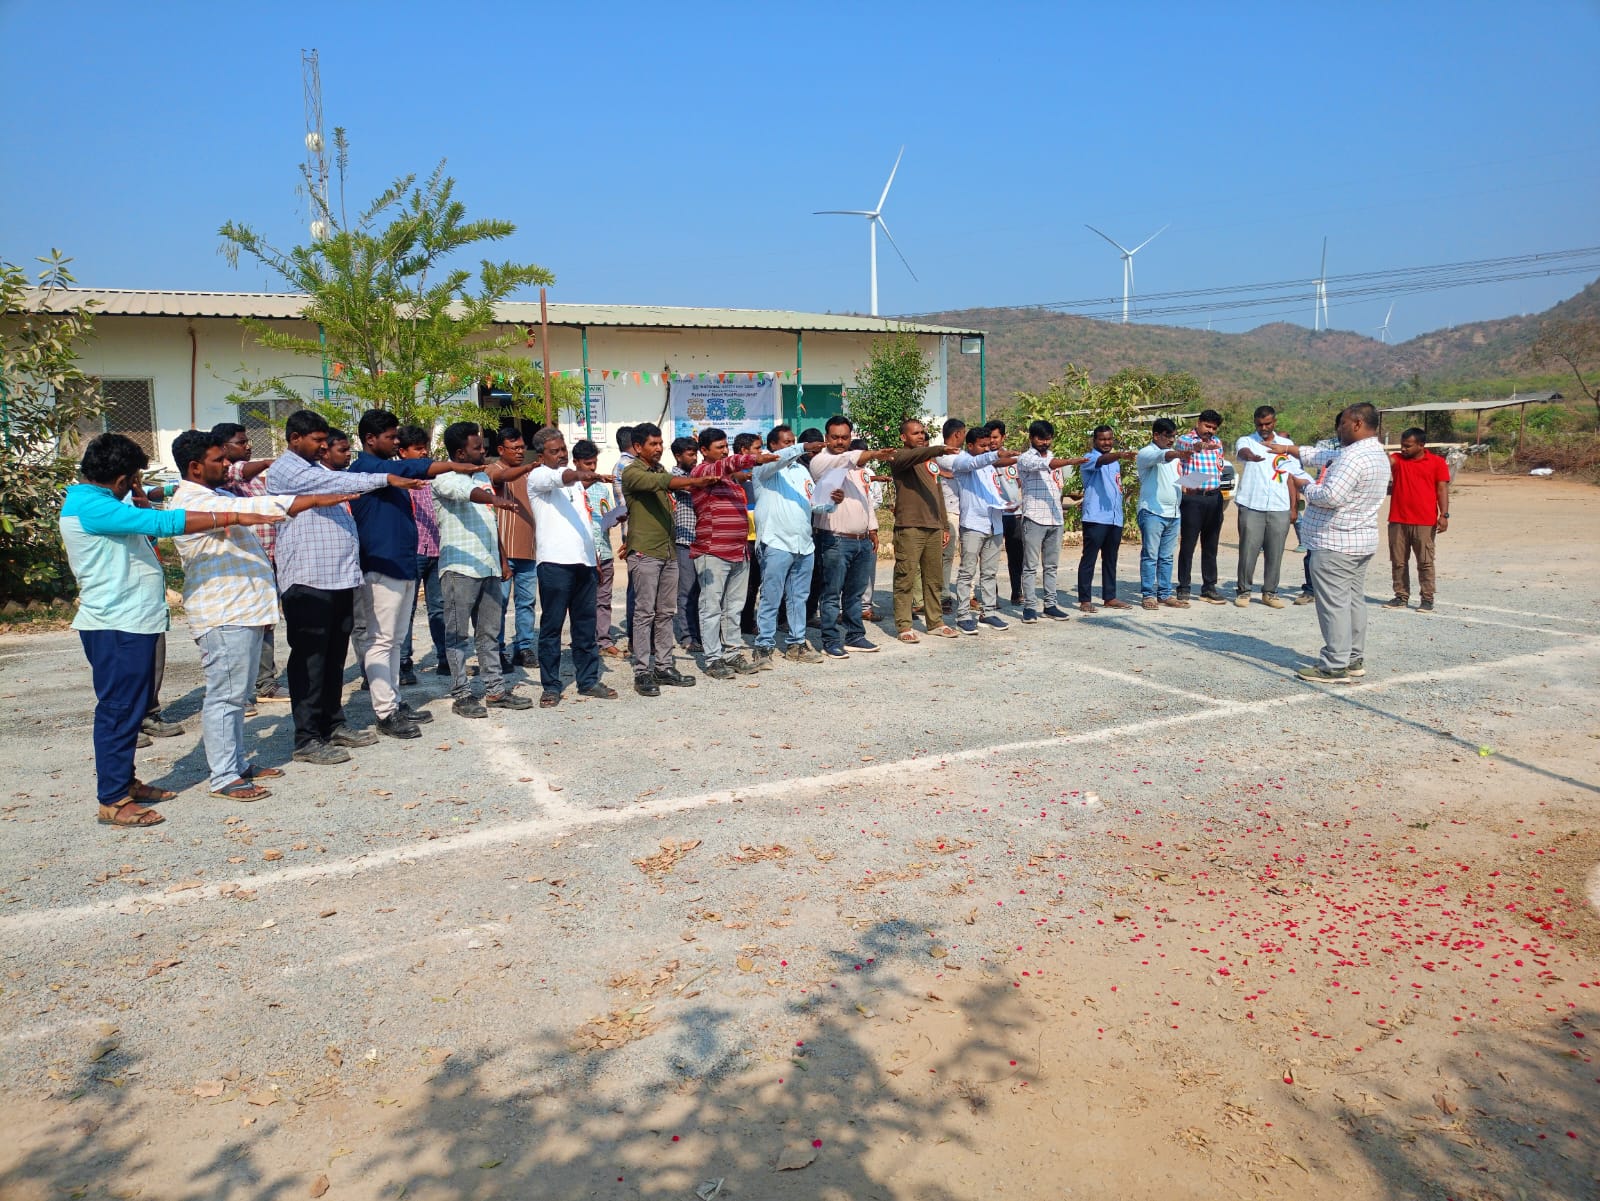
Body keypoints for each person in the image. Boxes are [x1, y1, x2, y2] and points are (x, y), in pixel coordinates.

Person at [60, 433, 285, 827]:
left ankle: (125, 782)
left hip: (133, 621)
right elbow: (165, 522)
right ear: (121, 479)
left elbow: (159, 497)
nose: (136, 486)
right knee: (118, 711)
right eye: (133, 479)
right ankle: (112, 798)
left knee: (130, 709)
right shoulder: (94, 507)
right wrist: (233, 515)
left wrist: (157, 490)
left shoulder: (101, 499)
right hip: (115, 624)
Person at [171, 430, 355, 800]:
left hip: (243, 611)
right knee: (226, 697)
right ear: (195, 467)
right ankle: (224, 777)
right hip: (224, 614)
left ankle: (237, 764)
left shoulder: (219, 495)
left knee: (236, 696)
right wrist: (311, 499)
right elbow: (261, 507)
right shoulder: (193, 501)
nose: (228, 465)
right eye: (219, 460)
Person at [265, 411, 423, 764]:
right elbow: (339, 482)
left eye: (325, 441)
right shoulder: (287, 469)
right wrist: (387, 478)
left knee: (334, 657)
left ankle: (333, 724)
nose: (323, 447)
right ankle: (307, 738)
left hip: (337, 579)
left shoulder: (317, 470)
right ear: (294, 439)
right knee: (310, 660)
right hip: (308, 580)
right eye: (317, 441)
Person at [348, 409, 477, 739]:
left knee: (393, 640)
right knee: (381, 640)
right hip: (381, 565)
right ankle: (385, 712)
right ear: (369, 439)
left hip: (402, 564)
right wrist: (452, 466)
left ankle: (393, 701)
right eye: (390, 437)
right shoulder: (365, 469)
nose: (396, 442)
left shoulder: (387, 471)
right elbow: (410, 466)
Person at [1275, 403, 1390, 683]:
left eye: (1343, 423)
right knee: (1353, 601)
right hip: (1359, 542)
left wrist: (1304, 486)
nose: (1339, 428)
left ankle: (1334, 665)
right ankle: (1353, 658)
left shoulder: (1353, 458)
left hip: (1335, 543)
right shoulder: (1375, 453)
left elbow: (1330, 496)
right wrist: (1288, 449)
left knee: (1334, 605)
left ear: (1358, 423)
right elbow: (1324, 456)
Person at [432, 422, 533, 717]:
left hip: (488, 566)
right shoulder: (443, 477)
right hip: (460, 568)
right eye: (477, 447)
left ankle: (495, 690)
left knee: (489, 633)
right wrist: (495, 498)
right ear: (460, 453)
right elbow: (466, 493)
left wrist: (502, 560)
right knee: (457, 635)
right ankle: (462, 695)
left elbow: (491, 521)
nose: (484, 450)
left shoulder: (481, 476)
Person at [523, 428, 619, 707]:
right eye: (554, 451)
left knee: (586, 626)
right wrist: (582, 475)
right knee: (552, 627)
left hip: (584, 563)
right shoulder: (539, 476)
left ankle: (588, 681)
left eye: (563, 449)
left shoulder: (575, 483)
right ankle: (551, 686)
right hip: (555, 563)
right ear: (541, 455)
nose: (561, 454)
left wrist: (594, 559)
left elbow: (584, 522)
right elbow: (561, 477)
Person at [619, 422, 716, 695]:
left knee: (665, 613)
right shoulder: (632, 472)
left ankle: (663, 666)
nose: (659, 448)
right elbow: (662, 483)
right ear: (638, 447)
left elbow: (664, 482)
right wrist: (695, 481)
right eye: (653, 444)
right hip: (646, 552)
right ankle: (642, 671)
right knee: (644, 614)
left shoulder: (659, 469)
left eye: (660, 443)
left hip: (668, 551)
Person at [690, 427, 778, 677]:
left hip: (739, 552)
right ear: (704, 450)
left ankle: (732, 653)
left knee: (734, 607)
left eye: (725, 446)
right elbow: (727, 465)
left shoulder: (731, 480)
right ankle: (713, 659)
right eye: (719, 447)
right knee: (711, 608)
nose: (724, 451)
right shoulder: (703, 472)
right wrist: (755, 459)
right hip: (712, 552)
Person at [809, 416, 896, 658]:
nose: (840, 442)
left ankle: (855, 636)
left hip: (860, 540)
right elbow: (847, 458)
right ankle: (830, 640)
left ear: (851, 437)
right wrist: (875, 454)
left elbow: (866, 500)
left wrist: (873, 529)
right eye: (835, 437)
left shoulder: (858, 471)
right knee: (831, 594)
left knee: (855, 594)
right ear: (826, 438)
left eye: (844, 437)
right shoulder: (822, 461)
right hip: (834, 539)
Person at [750, 424, 835, 665]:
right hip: (776, 542)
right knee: (771, 596)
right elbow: (781, 458)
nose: (792, 446)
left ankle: (796, 643)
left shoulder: (801, 471)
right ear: (773, 445)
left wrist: (832, 502)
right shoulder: (764, 468)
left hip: (803, 544)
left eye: (793, 441)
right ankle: (764, 645)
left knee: (798, 597)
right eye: (787, 442)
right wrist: (803, 447)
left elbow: (814, 504)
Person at [213, 422, 284, 705]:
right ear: (223, 447)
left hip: (268, 558)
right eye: (241, 442)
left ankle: (265, 682)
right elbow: (238, 471)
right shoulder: (224, 477)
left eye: (247, 441)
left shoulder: (254, 481)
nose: (248, 446)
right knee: (244, 627)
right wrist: (269, 462)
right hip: (243, 564)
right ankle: (243, 694)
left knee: (266, 621)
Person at [887, 417, 962, 641]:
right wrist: (939, 449)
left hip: (933, 526)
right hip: (910, 526)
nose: (920, 436)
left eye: (922, 433)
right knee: (906, 577)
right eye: (915, 433)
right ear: (903, 437)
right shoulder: (899, 456)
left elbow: (938, 493)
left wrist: (943, 524)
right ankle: (904, 626)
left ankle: (935, 622)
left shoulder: (930, 461)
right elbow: (914, 455)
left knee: (934, 578)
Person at [950, 425, 1020, 634]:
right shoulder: (962, 461)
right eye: (982, 446)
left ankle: (988, 612)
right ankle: (963, 615)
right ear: (970, 445)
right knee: (967, 572)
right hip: (973, 525)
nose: (987, 449)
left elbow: (993, 492)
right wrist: (995, 455)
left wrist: (1006, 504)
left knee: (989, 573)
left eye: (989, 445)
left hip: (994, 524)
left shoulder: (989, 466)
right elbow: (976, 462)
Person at [1015, 419, 1083, 622]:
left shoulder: (1054, 458)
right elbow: (1046, 465)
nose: (1045, 442)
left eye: (1048, 438)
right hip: (1034, 518)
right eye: (1041, 438)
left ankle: (1050, 605)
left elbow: (1058, 487)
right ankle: (1029, 607)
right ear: (1031, 438)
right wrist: (1071, 461)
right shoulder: (1025, 458)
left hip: (1055, 518)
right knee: (1030, 566)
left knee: (1051, 566)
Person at [1233, 405, 1300, 609]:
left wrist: (1294, 507)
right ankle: (1244, 591)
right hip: (1252, 505)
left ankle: (1270, 593)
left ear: (1274, 422)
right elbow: (1242, 452)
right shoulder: (1246, 441)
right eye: (1260, 424)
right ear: (1255, 423)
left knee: (1275, 552)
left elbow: (1291, 478)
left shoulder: (1286, 445)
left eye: (1267, 423)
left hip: (1280, 506)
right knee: (1248, 551)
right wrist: (1250, 456)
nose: (1263, 427)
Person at [395, 425, 448, 681]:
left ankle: (445, 658)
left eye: (424, 448)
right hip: (411, 551)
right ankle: (403, 663)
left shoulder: (433, 476)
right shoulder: (396, 479)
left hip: (437, 550)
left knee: (439, 608)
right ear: (403, 452)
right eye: (417, 449)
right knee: (407, 608)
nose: (423, 452)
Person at [1384, 428, 1451, 613]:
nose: (1403, 449)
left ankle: (1427, 599)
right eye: (1402, 445)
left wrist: (1444, 515)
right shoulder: (1397, 460)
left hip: (1424, 521)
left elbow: (1442, 490)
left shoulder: (1437, 463)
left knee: (1425, 562)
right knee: (1398, 561)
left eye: (1408, 446)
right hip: (1398, 520)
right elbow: (1385, 461)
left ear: (1421, 445)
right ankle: (1401, 596)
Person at [488, 427, 539, 670]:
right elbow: (502, 477)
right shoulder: (493, 470)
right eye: (514, 448)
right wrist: (530, 467)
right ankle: (497, 650)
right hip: (503, 553)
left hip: (529, 551)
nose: (520, 452)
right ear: (501, 449)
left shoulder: (529, 476)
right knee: (499, 604)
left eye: (522, 447)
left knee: (526, 603)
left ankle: (524, 647)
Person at [572, 439, 626, 658]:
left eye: (594, 463)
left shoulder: (602, 488)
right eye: (587, 464)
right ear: (575, 463)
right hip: (581, 555)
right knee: (581, 601)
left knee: (604, 599)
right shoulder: (569, 489)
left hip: (603, 551)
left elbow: (606, 515)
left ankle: (603, 640)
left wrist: (616, 518)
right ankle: (582, 641)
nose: (592, 468)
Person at [1076, 425, 1136, 614]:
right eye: (1102, 439)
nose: (1106, 442)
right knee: (1089, 558)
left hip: (1114, 518)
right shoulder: (1089, 458)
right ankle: (1085, 599)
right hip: (1096, 517)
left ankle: (1110, 597)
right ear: (1094, 440)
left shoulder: (1115, 463)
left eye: (1109, 439)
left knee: (1111, 559)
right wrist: (1120, 455)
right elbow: (1101, 460)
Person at [1135, 419, 1193, 610]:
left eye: (1173, 436)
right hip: (1152, 511)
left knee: (1167, 557)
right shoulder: (1146, 453)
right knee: (1150, 555)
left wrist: (1189, 484)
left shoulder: (1174, 457)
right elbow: (1163, 456)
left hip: (1173, 513)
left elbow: (1175, 479)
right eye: (1168, 436)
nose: (1171, 440)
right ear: (1156, 435)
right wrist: (1179, 453)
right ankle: (1148, 595)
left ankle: (1165, 594)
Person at [1174, 409, 1227, 604]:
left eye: (1213, 428)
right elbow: (1191, 447)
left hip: (1214, 497)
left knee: (1211, 545)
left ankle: (1209, 587)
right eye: (1207, 426)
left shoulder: (1217, 442)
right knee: (1188, 545)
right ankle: (1184, 587)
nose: (1210, 431)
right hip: (1193, 498)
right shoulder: (1185, 439)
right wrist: (1199, 445)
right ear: (1198, 423)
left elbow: (1218, 466)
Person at [984, 419, 1026, 607]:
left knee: (1016, 556)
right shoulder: (983, 459)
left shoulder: (1014, 459)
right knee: (990, 557)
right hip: (993, 514)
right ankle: (991, 597)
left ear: (1003, 437)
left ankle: (1017, 592)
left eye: (995, 437)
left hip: (1014, 515)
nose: (992, 441)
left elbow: (1020, 482)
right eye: (989, 437)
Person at [669, 436, 704, 652]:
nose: (694, 458)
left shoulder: (697, 475)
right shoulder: (674, 478)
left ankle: (702, 634)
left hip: (703, 541)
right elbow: (692, 488)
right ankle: (688, 636)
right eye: (690, 454)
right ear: (678, 456)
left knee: (703, 592)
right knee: (687, 592)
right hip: (685, 541)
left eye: (696, 454)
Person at [936, 418, 966, 613]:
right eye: (964, 433)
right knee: (946, 556)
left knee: (968, 555)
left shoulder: (964, 455)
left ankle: (968, 595)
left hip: (967, 512)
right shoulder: (943, 455)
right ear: (957, 434)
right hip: (949, 512)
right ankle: (944, 594)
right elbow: (965, 466)